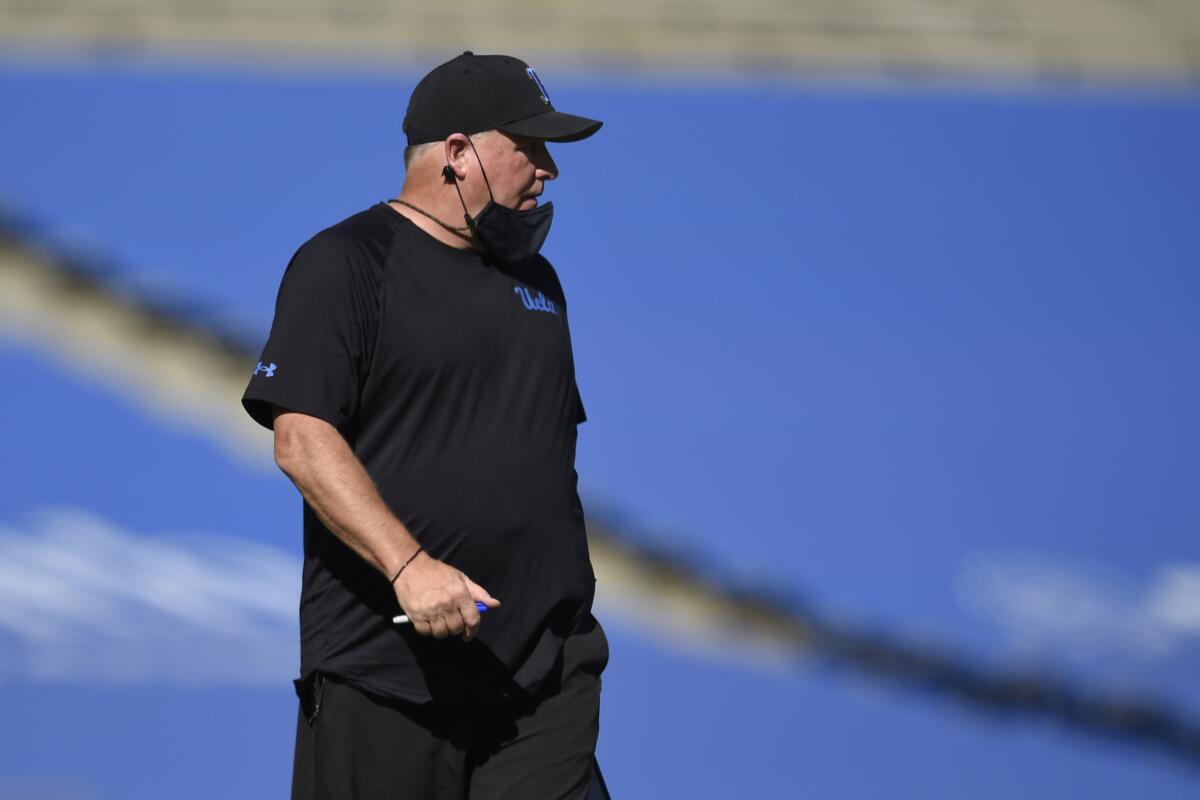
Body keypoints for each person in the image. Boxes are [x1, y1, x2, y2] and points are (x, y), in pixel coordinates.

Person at [241, 52, 611, 799]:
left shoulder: (537, 284)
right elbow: (302, 439)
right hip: (389, 674)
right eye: (529, 148)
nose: (549, 171)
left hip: (543, 677)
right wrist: (410, 569)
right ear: (457, 153)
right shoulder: (345, 263)